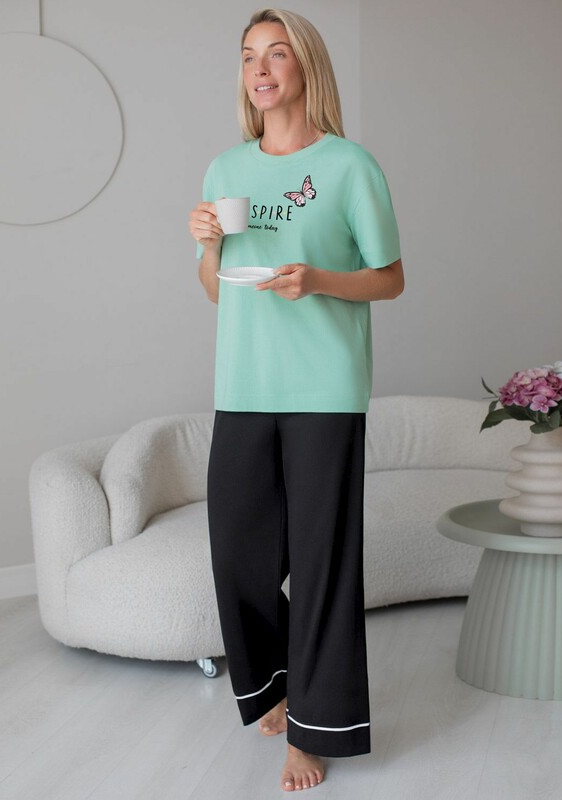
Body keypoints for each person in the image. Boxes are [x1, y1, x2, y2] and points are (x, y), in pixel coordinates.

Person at [188, 7, 404, 792]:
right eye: (250, 55)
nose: (261, 67)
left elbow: (390, 278)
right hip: (243, 384)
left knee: (321, 564)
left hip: (325, 388)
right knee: (238, 555)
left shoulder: (350, 166)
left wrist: (319, 282)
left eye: (277, 53)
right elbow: (218, 291)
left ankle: (315, 732)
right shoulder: (225, 169)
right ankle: (277, 682)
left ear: (305, 66)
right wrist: (210, 246)